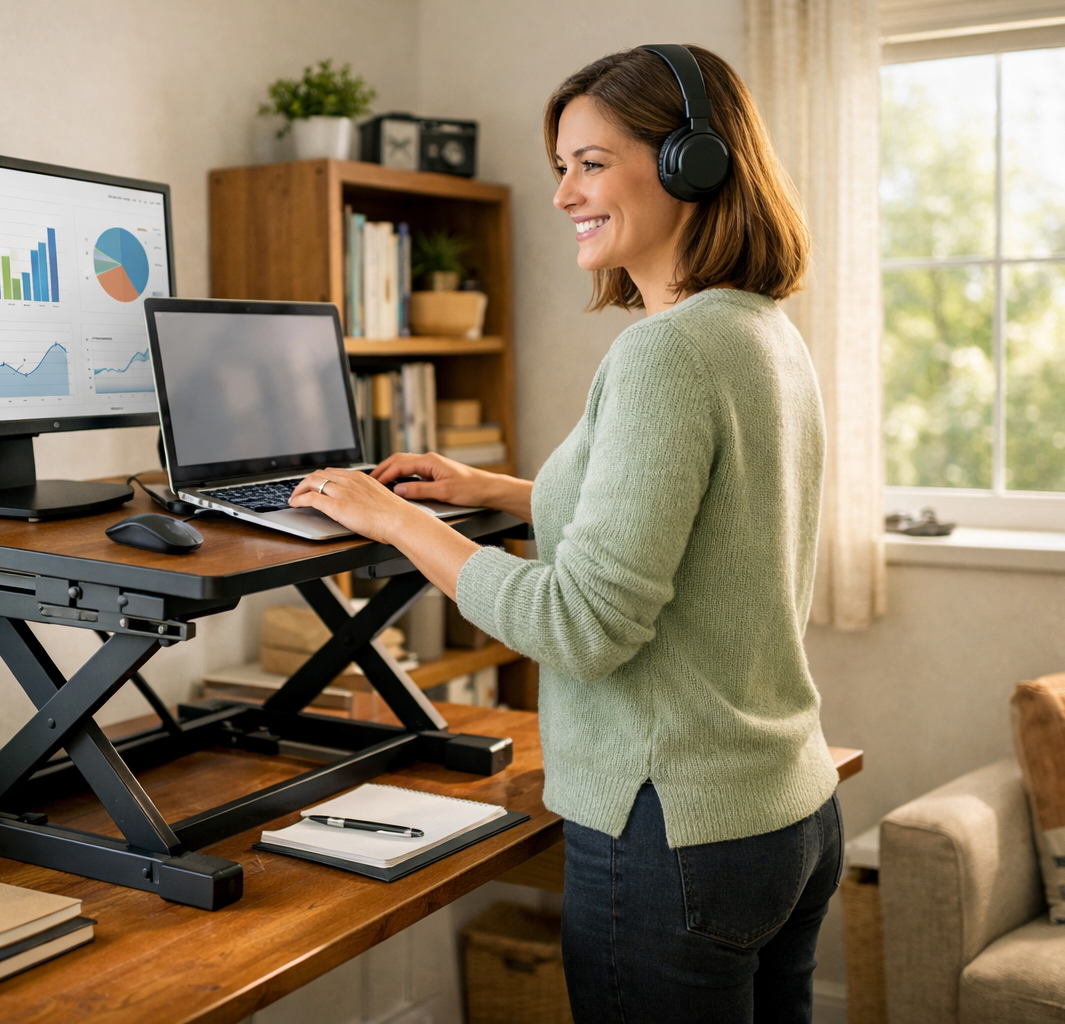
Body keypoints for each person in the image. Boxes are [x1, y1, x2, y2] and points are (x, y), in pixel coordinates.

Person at [289, 43, 840, 1024]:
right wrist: (490, 489)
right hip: (783, 812)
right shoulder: (758, 330)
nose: (562, 195)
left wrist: (396, 520)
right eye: (561, 167)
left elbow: (582, 624)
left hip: (672, 828)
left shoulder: (666, 353)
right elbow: (701, 522)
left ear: (692, 164)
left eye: (590, 163)